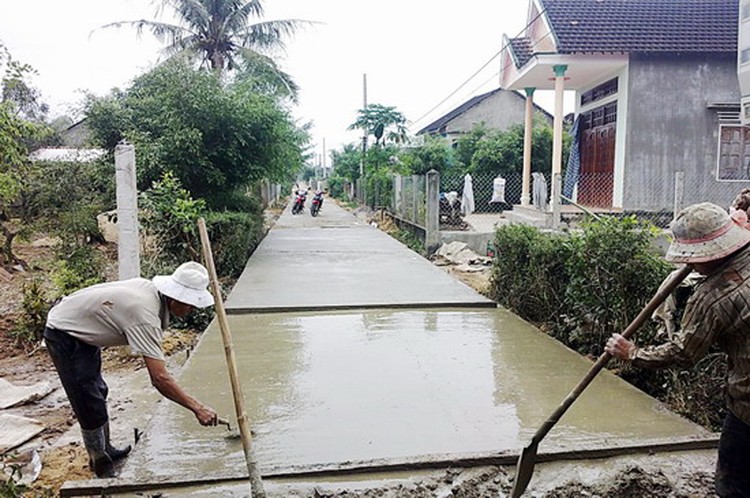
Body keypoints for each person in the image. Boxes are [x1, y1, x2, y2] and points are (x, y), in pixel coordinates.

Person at [605, 202, 750, 497]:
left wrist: (632, 352)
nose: (690, 264)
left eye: (693, 257)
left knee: (733, 483)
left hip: (747, 405)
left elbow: (685, 353)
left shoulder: (711, 297)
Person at [43, 262, 219, 478]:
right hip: (64, 332)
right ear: (176, 299)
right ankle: (99, 461)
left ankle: (106, 449)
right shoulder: (144, 314)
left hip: (83, 328)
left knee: (98, 390)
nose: (191, 310)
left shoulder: (150, 293)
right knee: (87, 400)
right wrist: (198, 408)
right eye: (190, 305)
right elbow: (160, 378)